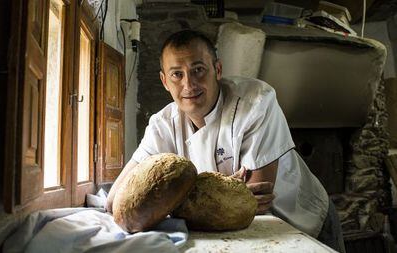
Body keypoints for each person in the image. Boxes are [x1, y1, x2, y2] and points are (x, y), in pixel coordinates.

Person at [107, 29, 345, 252]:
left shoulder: (256, 102)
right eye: (177, 74)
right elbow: (116, 202)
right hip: (247, 234)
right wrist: (222, 195)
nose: (188, 85)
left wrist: (173, 198)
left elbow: (254, 201)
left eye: (198, 69)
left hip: (301, 219)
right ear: (165, 81)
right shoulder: (163, 124)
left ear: (217, 70)